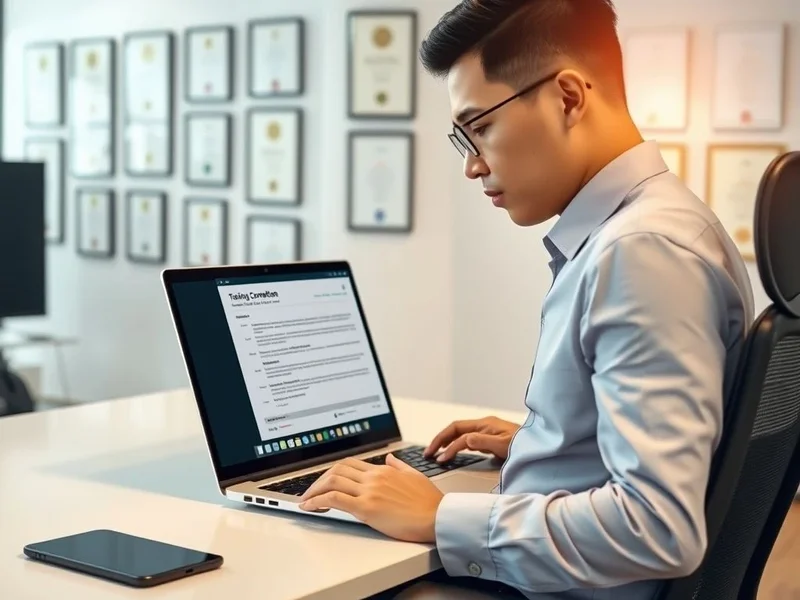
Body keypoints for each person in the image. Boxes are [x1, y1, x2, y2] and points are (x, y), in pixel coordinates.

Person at [299, 0, 755, 597]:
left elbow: (657, 526)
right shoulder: (657, 226)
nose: (472, 165)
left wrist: (439, 517)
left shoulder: (642, 253)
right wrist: (549, 443)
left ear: (568, 97)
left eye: (480, 126)